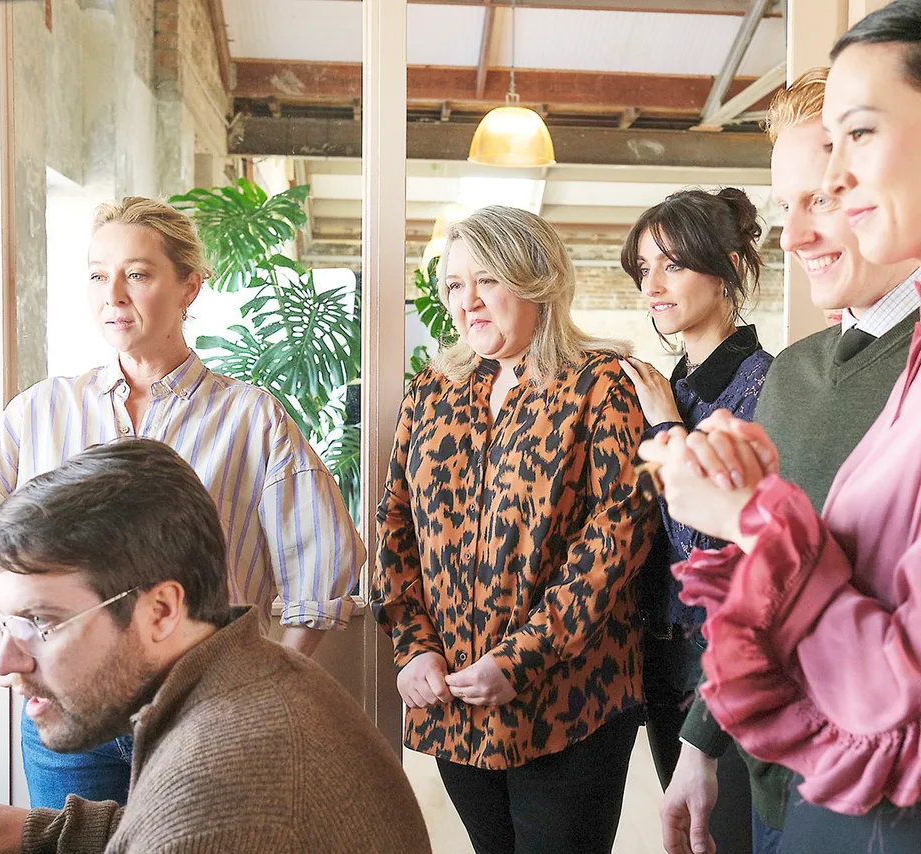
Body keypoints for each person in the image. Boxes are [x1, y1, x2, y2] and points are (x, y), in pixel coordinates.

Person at [0, 197, 365, 809]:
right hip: (71, 727)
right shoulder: (42, 411)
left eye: (139, 274)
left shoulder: (250, 419)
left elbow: (323, 570)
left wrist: (249, 694)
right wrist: (10, 668)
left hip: (201, 714)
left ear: (190, 288)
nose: (113, 295)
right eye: (98, 274)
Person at [640, 3, 921, 849]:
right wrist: (701, 741)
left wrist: (735, 511)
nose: (797, 233)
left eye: (827, 196)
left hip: (878, 791)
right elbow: (757, 582)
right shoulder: (798, 373)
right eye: (786, 204)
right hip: (781, 783)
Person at [0, 439, 431, 854]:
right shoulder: (255, 678)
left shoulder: (219, 792)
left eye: (39, 622)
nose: (5, 661)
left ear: (159, 611)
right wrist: (54, 833)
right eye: (3, 624)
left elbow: (201, 823)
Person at [371, 205, 658, 854]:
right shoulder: (432, 393)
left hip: (569, 702)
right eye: (453, 284)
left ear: (537, 280)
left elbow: (618, 534)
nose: (466, 300)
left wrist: (525, 655)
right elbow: (396, 526)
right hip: (457, 699)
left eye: (486, 280)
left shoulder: (599, 383)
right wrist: (414, 645)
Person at [618, 187, 772, 854]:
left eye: (672, 265)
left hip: (726, 672)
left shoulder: (764, 385)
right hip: (659, 663)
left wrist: (665, 430)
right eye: (643, 267)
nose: (651, 285)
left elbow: (712, 550)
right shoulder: (670, 384)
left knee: (726, 838)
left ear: (728, 267)